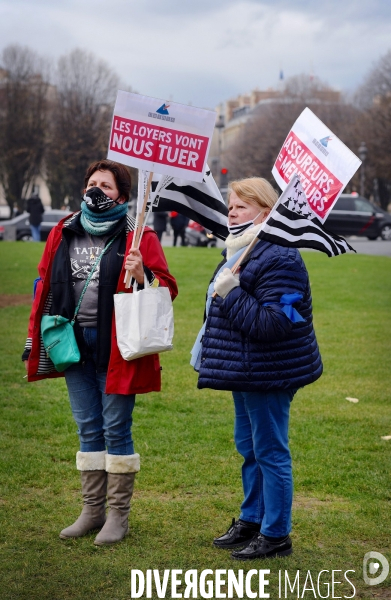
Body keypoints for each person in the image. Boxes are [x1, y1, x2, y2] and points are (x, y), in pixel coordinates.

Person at [22, 159, 178, 545]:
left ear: (122, 196)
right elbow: (44, 285)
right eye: (92, 183)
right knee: (87, 426)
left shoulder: (139, 236)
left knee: (115, 427)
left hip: (118, 347)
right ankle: (92, 511)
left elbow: (168, 289)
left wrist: (144, 274)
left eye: (105, 186)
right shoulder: (64, 229)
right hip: (73, 344)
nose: (96, 191)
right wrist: (32, 337)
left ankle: (118, 517)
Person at [193, 177, 322, 560]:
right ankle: (252, 518)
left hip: (270, 371)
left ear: (266, 212)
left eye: (241, 206)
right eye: (230, 206)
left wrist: (231, 292)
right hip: (246, 369)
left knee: (270, 451)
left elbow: (274, 324)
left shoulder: (281, 255)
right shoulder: (241, 248)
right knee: (249, 447)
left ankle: (276, 533)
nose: (231, 212)